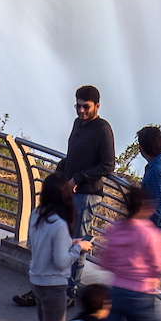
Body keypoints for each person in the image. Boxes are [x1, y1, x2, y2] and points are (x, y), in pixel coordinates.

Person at [26, 175, 85, 321]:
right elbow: (62, 261)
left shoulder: (36, 215)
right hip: (53, 287)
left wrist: (70, 243)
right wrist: (79, 248)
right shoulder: (59, 224)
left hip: (37, 281)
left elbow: (38, 243)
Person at [91, 185, 161, 321]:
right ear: (146, 207)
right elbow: (159, 267)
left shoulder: (115, 229)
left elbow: (105, 261)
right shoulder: (150, 233)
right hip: (143, 293)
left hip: (117, 291)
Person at [61, 86, 116, 243]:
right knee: (64, 238)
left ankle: (75, 269)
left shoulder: (103, 129)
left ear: (97, 106)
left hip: (86, 195)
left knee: (77, 242)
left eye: (86, 106)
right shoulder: (78, 123)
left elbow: (108, 165)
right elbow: (73, 155)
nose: (81, 110)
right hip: (70, 191)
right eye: (78, 106)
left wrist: (78, 178)